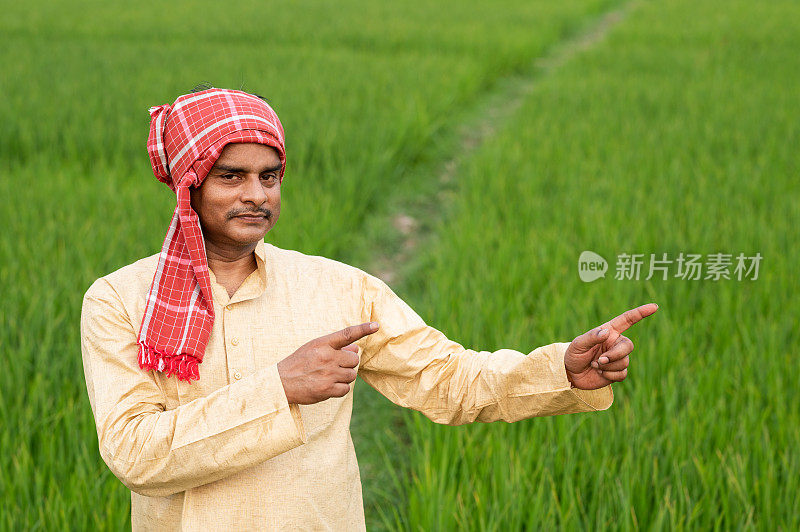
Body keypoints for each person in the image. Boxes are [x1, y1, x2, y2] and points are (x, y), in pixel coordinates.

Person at [80, 87, 658, 530]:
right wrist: (280, 387)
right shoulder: (121, 301)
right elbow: (134, 452)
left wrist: (560, 369)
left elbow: (446, 379)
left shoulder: (338, 288)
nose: (257, 195)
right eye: (231, 177)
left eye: (270, 176)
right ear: (189, 186)